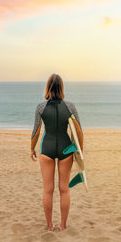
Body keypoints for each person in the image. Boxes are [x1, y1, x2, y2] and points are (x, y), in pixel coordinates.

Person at [30, 74, 83, 231]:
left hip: (47, 149)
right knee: (64, 189)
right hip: (65, 149)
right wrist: (80, 150)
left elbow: (36, 132)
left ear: (48, 88)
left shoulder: (40, 107)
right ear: (62, 88)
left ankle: (49, 226)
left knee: (48, 190)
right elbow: (79, 130)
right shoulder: (70, 107)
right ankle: (63, 225)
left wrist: (31, 148)